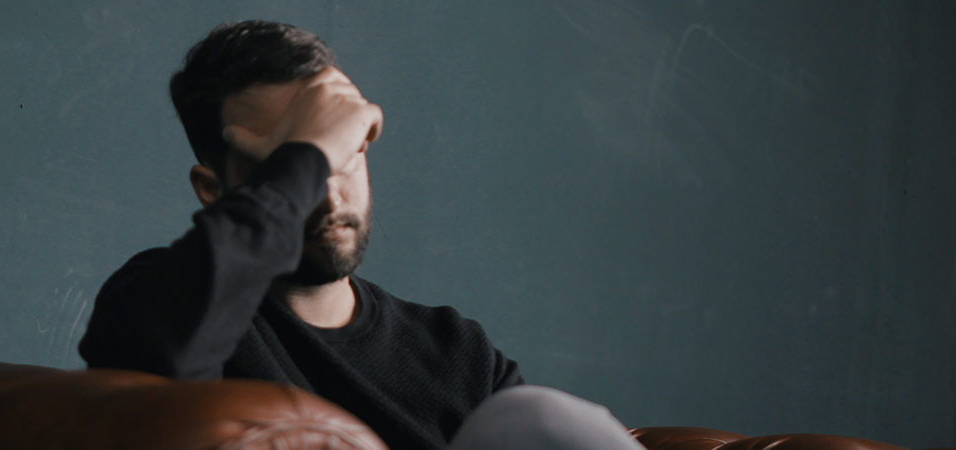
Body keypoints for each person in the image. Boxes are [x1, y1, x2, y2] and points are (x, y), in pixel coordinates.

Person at [77, 20, 645, 450]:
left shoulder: (456, 351)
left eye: (344, 155)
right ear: (212, 189)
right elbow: (158, 364)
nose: (327, 196)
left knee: (541, 418)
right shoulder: (163, 304)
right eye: (291, 166)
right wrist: (312, 151)